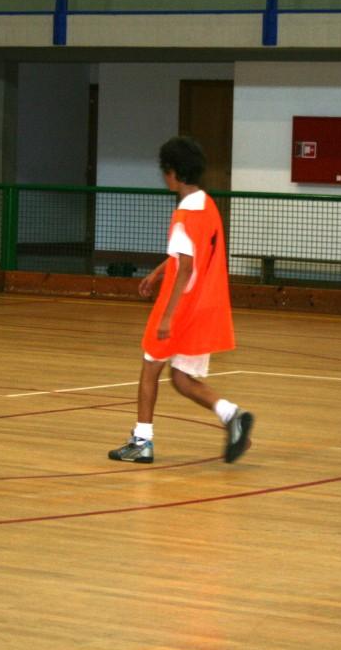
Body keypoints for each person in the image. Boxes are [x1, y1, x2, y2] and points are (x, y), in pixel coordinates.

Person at [108, 136, 253, 465]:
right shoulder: (208, 206)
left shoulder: (184, 215)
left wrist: (167, 316)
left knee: (149, 369)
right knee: (182, 378)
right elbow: (188, 255)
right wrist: (159, 271)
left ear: (172, 172)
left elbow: (186, 267)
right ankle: (232, 415)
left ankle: (142, 441)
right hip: (204, 305)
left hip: (181, 307)